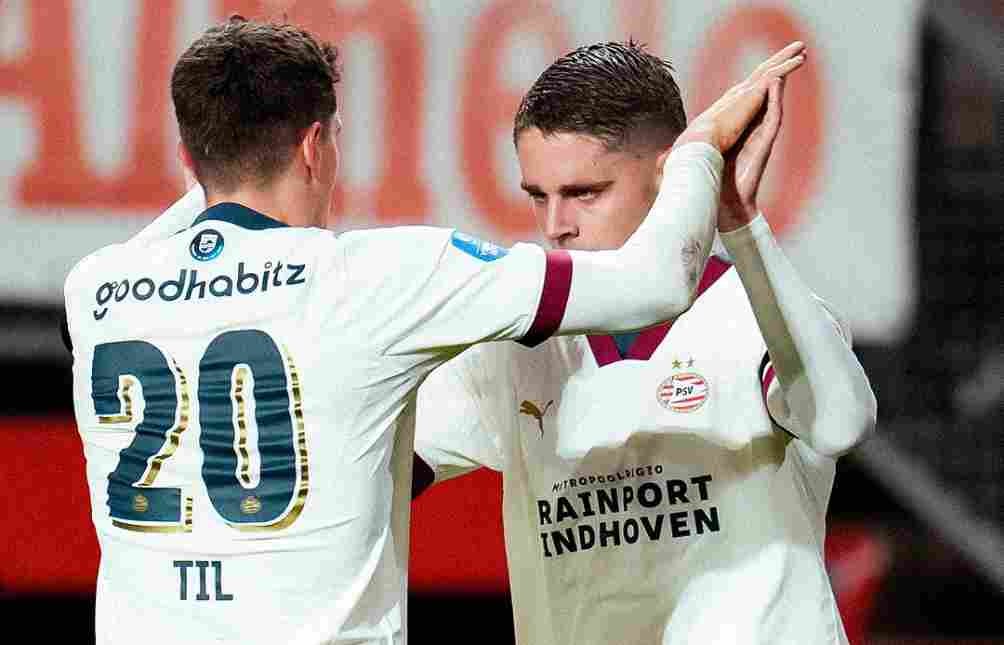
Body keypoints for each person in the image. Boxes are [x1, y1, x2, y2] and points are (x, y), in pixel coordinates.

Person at [61, 16, 806, 645]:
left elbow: (189, 227)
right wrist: (701, 150)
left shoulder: (93, 289)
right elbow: (654, 281)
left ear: (191, 160)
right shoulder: (377, 278)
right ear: (316, 146)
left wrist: (217, 170)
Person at [413, 41, 876, 645]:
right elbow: (380, 474)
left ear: (668, 177)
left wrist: (739, 220)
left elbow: (841, 423)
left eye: (585, 193)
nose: (556, 225)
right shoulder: (517, 343)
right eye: (537, 195)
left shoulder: (754, 310)